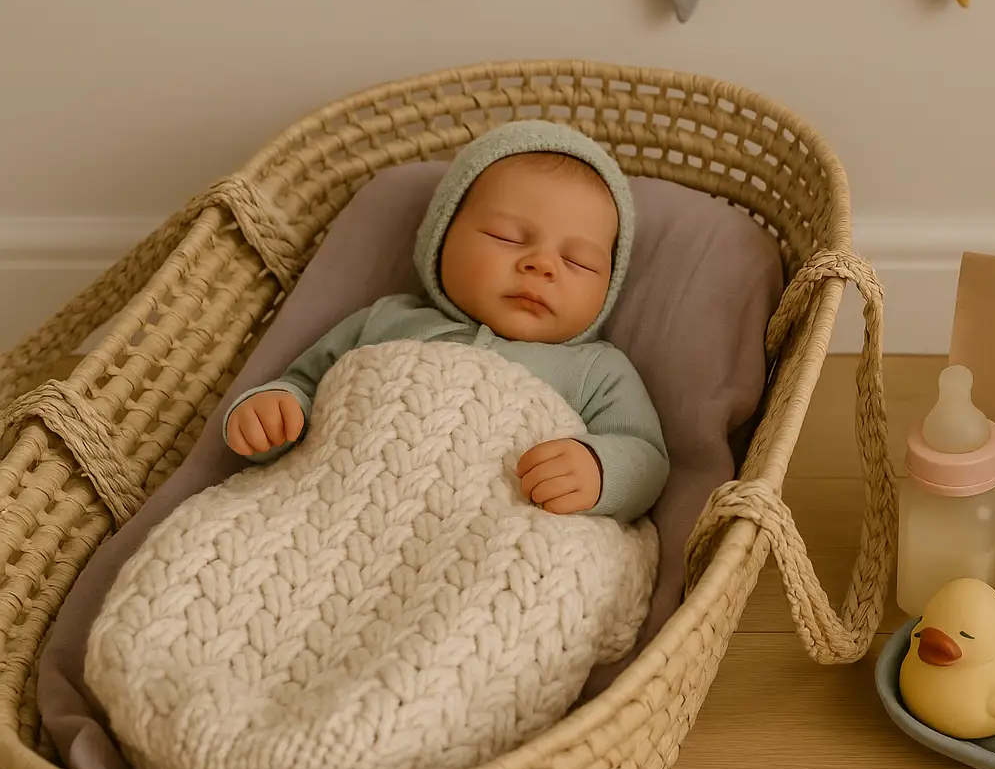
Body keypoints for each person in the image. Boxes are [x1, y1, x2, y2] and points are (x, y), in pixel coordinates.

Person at [221, 120, 668, 523]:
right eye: (506, 237)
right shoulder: (386, 320)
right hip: (332, 505)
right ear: (440, 239)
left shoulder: (596, 369)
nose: (542, 265)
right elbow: (304, 385)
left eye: (578, 261)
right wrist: (274, 411)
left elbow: (646, 457)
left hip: (487, 531)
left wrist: (598, 469)